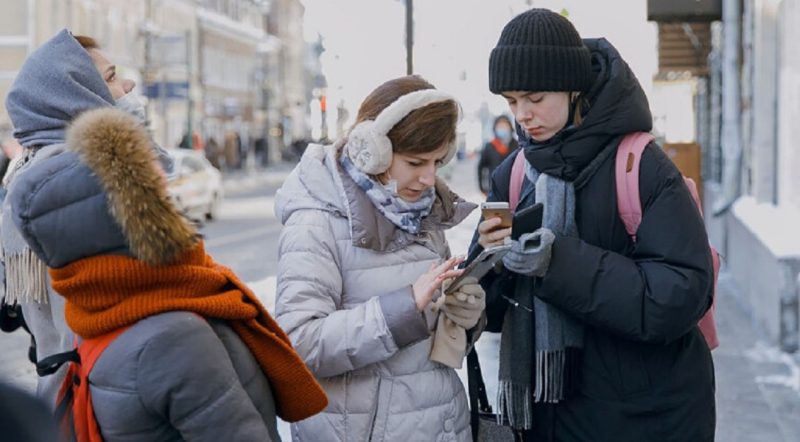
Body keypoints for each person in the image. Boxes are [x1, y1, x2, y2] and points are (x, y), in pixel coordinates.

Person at [7, 104, 327, 440]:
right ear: (131, 218)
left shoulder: (99, 315)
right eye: (152, 187)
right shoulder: (174, 336)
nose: (169, 190)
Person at [472, 9, 716, 441]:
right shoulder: (513, 175)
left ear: (573, 88)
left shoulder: (639, 165)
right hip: (545, 418)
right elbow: (490, 316)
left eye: (535, 96)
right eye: (511, 101)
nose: (522, 115)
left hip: (645, 419)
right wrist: (491, 263)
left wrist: (557, 262)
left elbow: (680, 294)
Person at [274, 75, 485, 441]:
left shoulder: (424, 211)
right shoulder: (316, 220)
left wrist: (461, 320)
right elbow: (300, 344)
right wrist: (402, 310)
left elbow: (435, 351)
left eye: (437, 161)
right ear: (372, 150)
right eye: (416, 162)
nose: (429, 178)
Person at [477, 114, 517, 194]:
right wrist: (482, 188)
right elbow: (481, 167)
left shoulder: (517, 145)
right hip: (494, 189)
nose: (502, 129)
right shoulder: (490, 146)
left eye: (505, 126)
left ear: (510, 127)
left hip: (514, 189)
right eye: (500, 126)